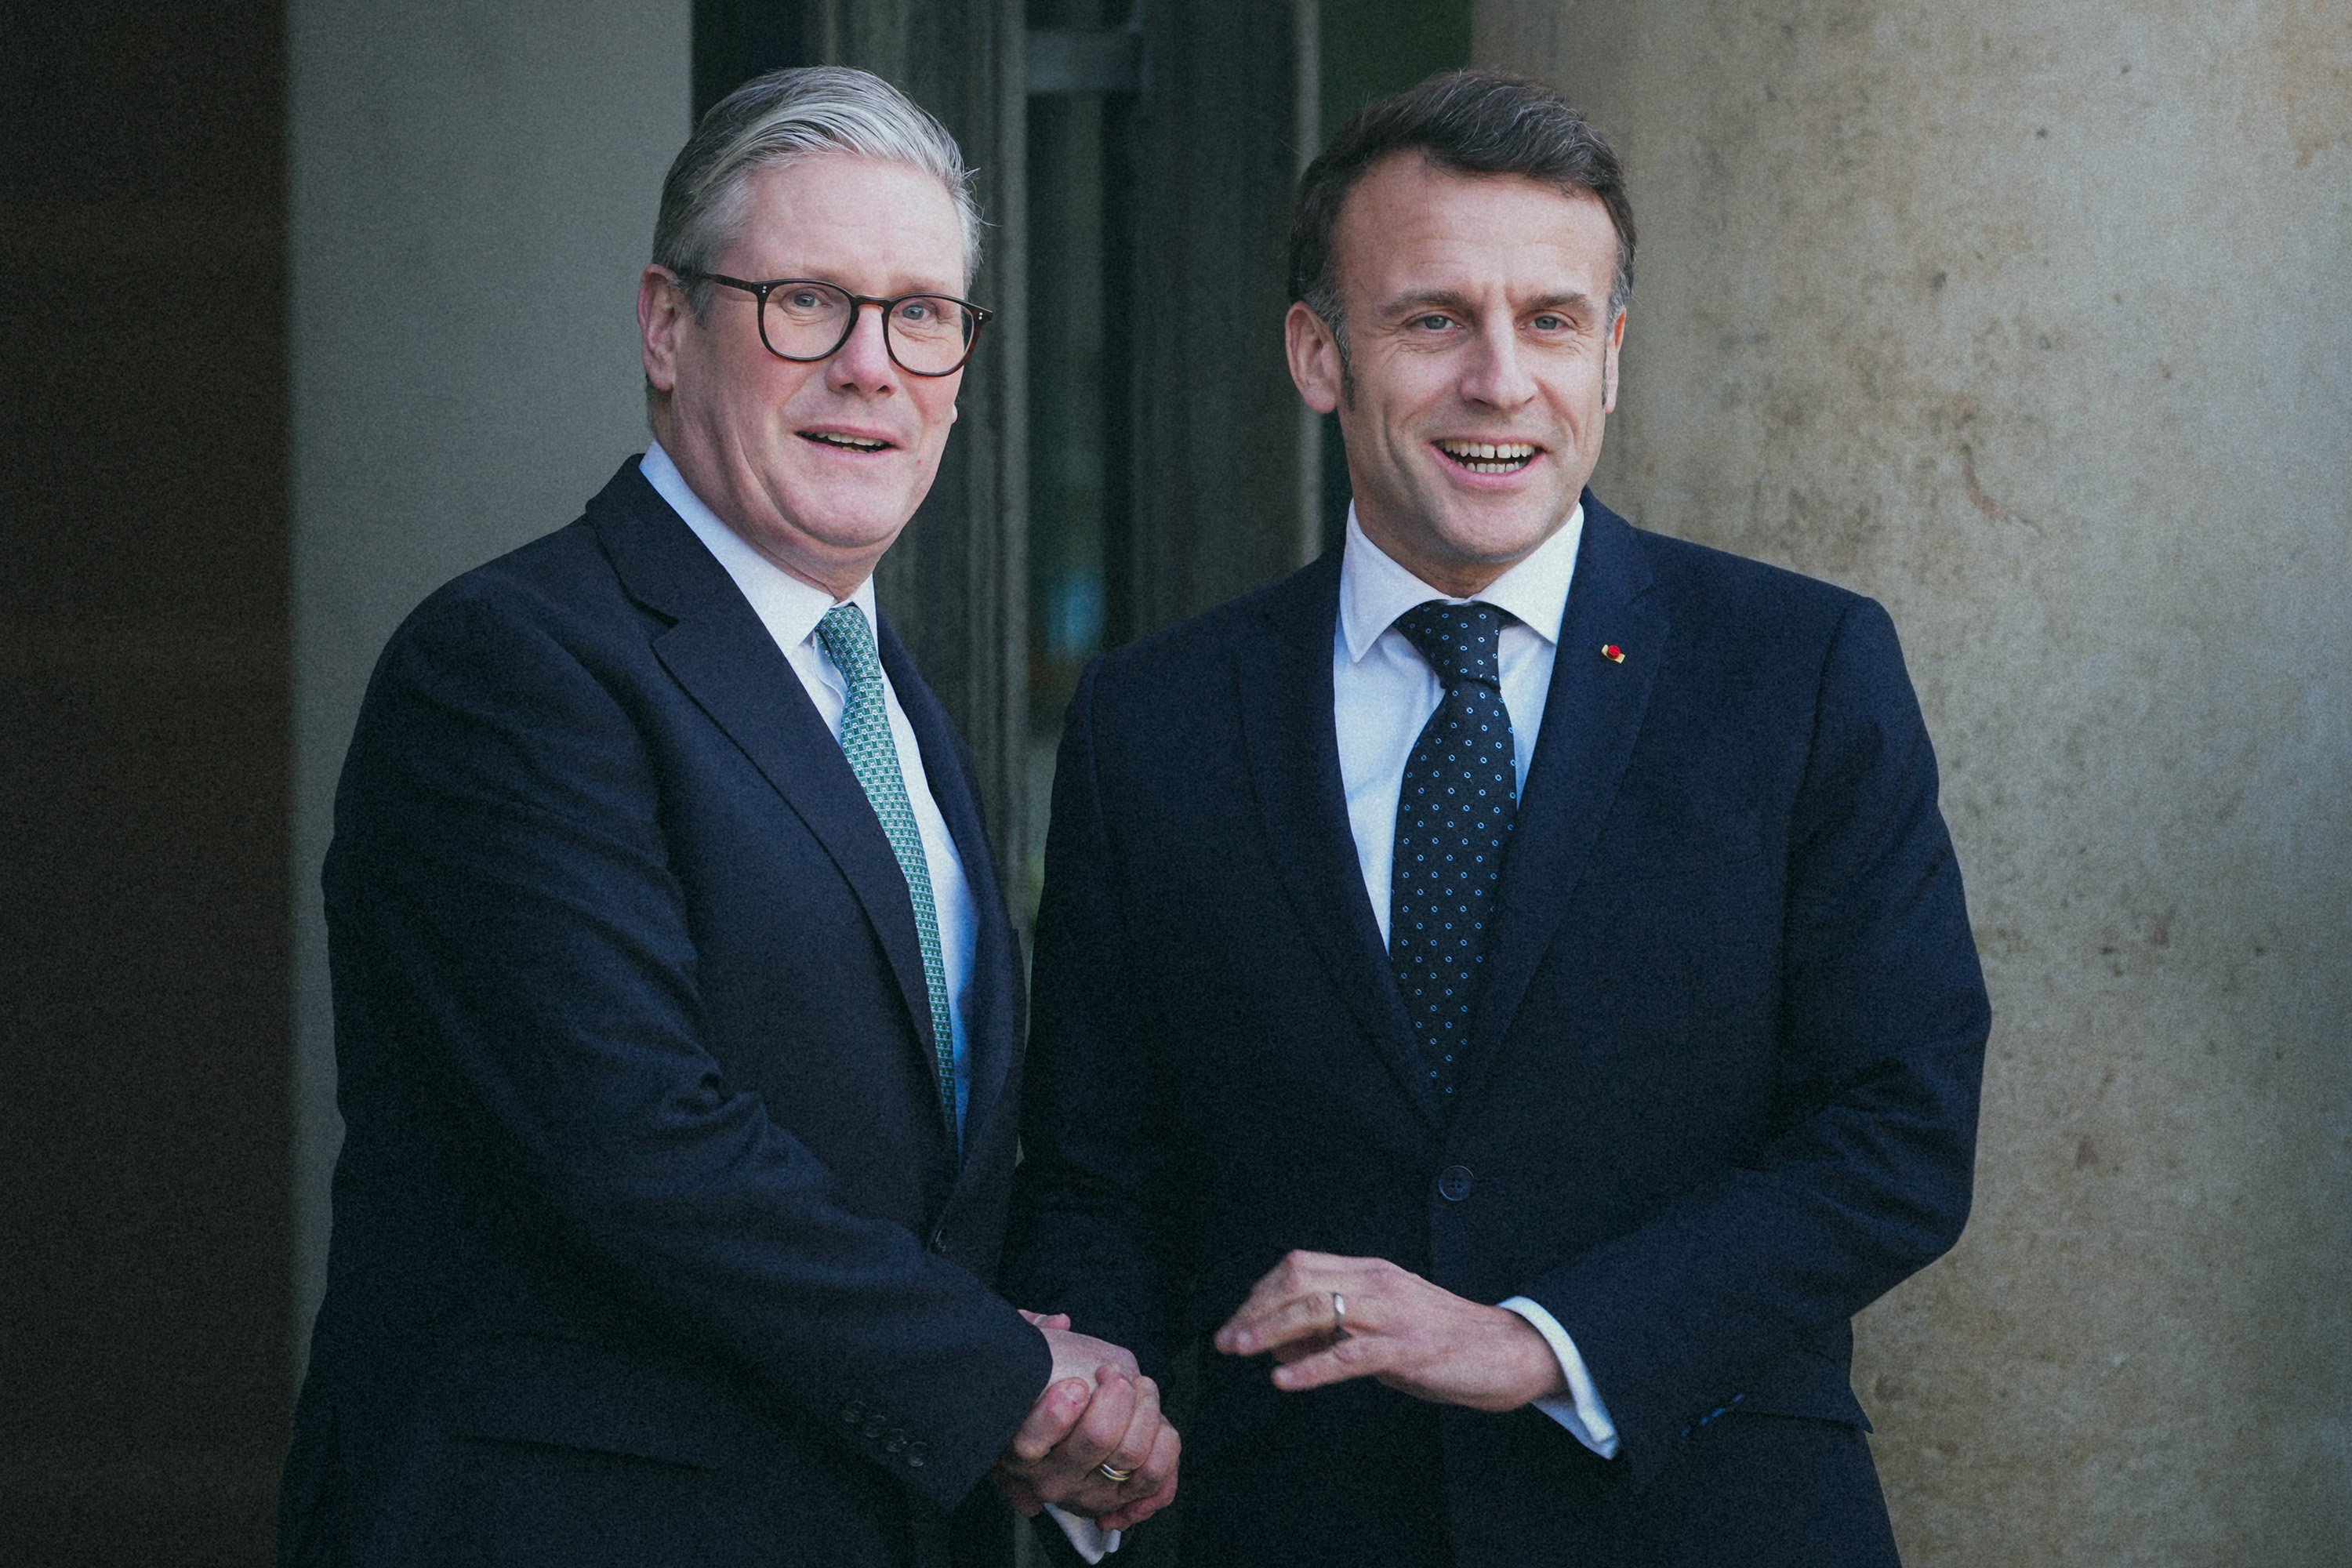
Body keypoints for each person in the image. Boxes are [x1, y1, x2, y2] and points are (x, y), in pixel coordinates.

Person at [1006, 70, 1990, 1566]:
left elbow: (1898, 1133)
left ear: (1610, 359)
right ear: (1316, 354)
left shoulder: (1799, 670)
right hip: (1289, 1529)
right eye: (1431, 319)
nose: (1498, 379)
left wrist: (1541, 1342)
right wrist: (1104, 1413)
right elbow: (1095, 1166)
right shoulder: (1156, 721)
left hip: (1704, 1522)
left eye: (1550, 321)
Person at [278, 67, 1174, 1568]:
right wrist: (1008, 1383)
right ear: (667, 325)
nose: (870, 365)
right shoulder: (513, 666)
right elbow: (634, 1139)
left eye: (921, 314)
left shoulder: (894, 700)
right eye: (807, 301)